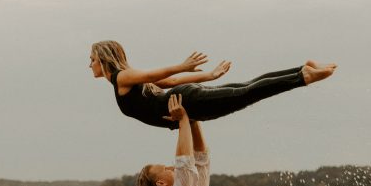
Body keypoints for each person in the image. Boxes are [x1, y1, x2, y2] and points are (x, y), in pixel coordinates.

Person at [90, 40, 336, 129]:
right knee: (246, 87)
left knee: (247, 93)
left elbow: (164, 73)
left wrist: (182, 66)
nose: (89, 65)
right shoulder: (128, 79)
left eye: (92, 60)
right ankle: (301, 69)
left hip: (187, 103)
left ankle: (303, 76)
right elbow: (171, 82)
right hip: (185, 98)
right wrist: (208, 76)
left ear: (102, 60)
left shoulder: (121, 78)